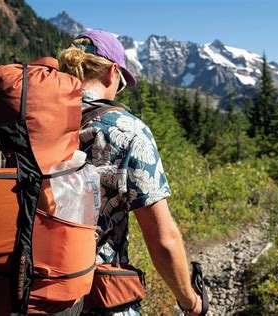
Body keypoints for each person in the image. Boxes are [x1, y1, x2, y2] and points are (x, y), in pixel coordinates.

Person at [58, 29, 203, 315]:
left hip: (18, 292)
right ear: (113, 73)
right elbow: (162, 238)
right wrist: (190, 300)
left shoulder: (31, 119)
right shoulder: (126, 130)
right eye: (122, 85)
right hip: (93, 297)